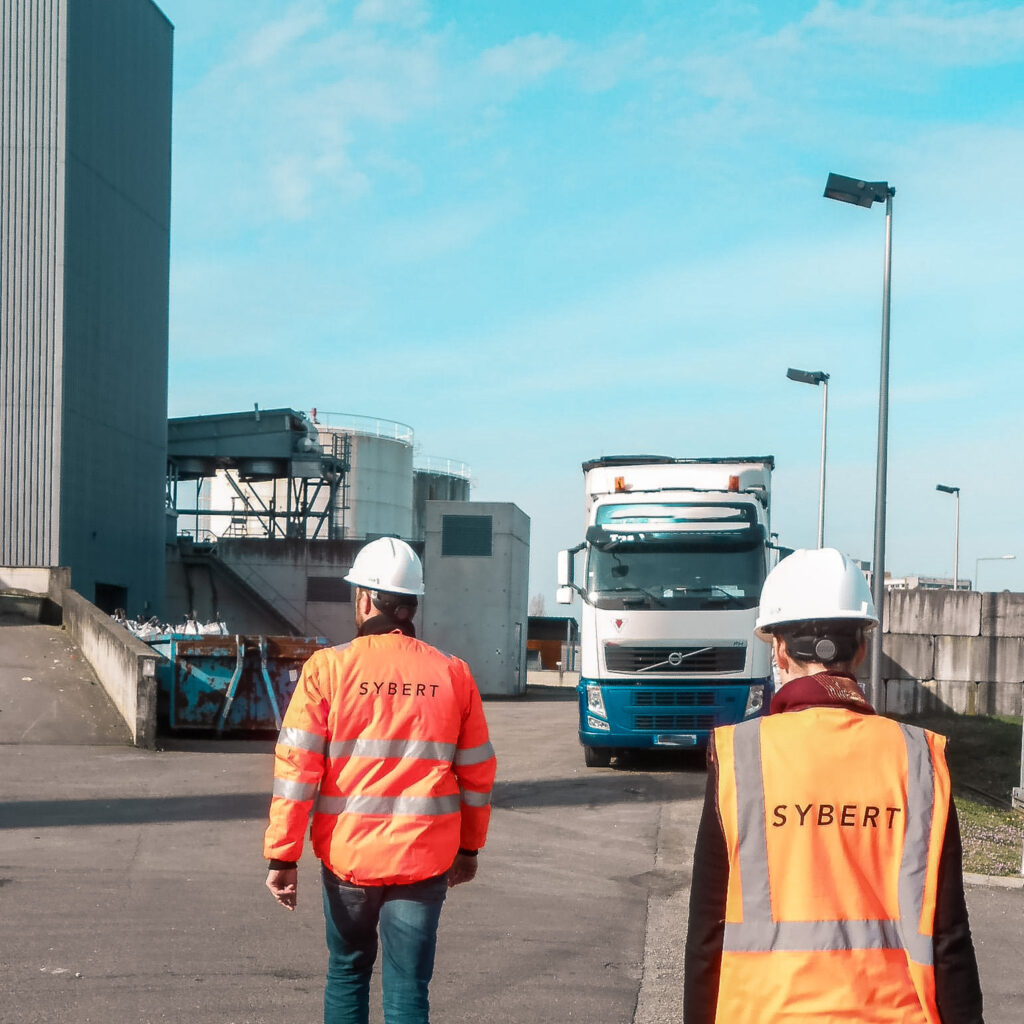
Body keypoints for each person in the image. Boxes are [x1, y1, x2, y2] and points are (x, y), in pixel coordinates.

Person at [684, 547, 984, 1024]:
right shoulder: (918, 759)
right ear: (862, 648)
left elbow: (708, 934)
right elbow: (947, 935)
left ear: (778, 649)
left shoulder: (740, 754)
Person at [264, 537, 496, 1024]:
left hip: (349, 860)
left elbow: (296, 771)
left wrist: (283, 856)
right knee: (408, 988)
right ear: (411, 604)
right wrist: (469, 849)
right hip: (423, 860)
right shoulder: (453, 674)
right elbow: (477, 774)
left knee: (347, 973)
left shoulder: (327, 670)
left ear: (365, 598)